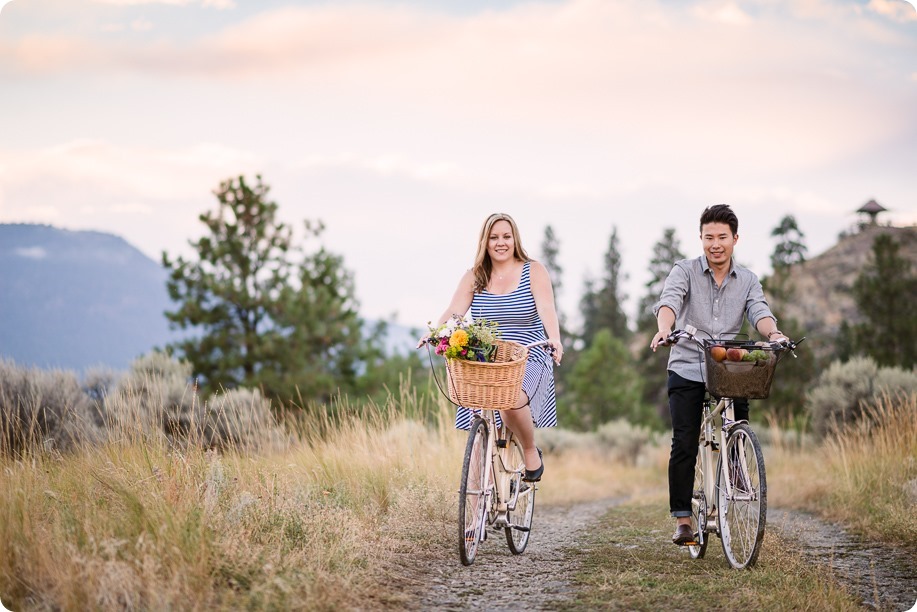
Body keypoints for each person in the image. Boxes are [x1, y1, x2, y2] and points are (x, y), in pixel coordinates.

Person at [649, 204, 786, 546]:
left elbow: (759, 312)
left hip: (728, 367)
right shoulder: (685, 270)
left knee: (739, 422)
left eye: (722, 237)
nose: (715, 244)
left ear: (735, 239)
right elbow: (669, 302)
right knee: (684, 440)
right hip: (686, 362)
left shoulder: (749, 280)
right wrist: (665, 328)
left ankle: (737, 467)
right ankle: (683, 518)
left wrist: (774, 335)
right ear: (700, 238)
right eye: (708, 237)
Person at [419, 212, 563, 481]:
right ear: (484, 242)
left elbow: (547, 309)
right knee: (478, 424)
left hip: (529, 353)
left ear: (515, 239)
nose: (501, 243)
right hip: (487, 357)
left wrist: (554, 338)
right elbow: (454, 313)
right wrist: (434, 335)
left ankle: (530, 451)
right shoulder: (475, 276)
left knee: (510, 399)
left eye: (506, 237)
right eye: (494, 237)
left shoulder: (533, 270)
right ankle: (475, 521)